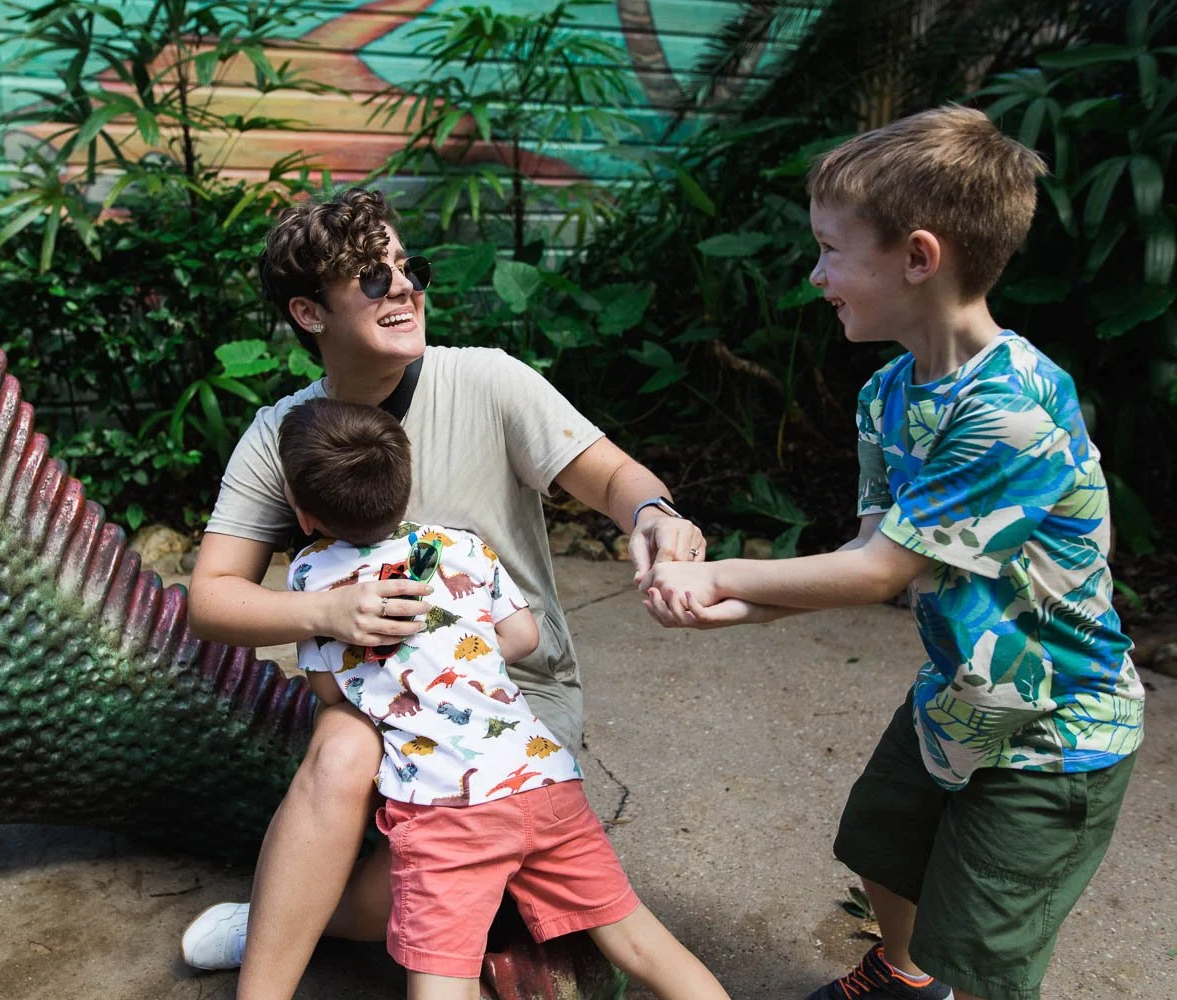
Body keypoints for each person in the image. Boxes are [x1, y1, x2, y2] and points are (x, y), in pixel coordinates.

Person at [638, 106, 1145, 1000]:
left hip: (1059, 728)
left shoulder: (1015, 406)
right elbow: (872, 555)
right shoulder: (889, 393)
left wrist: (716, 571)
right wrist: (733, 609)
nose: (815, 273)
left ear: (919, 257)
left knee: (981, 952)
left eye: (832, 250)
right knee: (882, 842)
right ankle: (903, 976)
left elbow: (881, 573)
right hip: (965, 686)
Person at [181, 187, 707, 996]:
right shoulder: (282, 434)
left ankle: (288, 913)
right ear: (308, 312)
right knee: (343, 744)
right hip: (377, 702)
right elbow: (211, 597)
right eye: (370, 276)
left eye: (407, 267)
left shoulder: (488, 380)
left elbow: (611, 475)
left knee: (412, 895)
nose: (403, 287)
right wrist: (321, 610)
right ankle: (275, 963)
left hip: (512, 691)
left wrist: (655, 514)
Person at [269, 396, 730, 1000]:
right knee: (642, 944)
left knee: (442, 976)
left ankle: (275, 926)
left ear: (304, 516)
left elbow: (330, 689)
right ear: (404, 491)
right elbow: (521, 636)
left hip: (446, 811)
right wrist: (461, 649)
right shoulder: (460, 546)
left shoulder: (310, 577)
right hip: (543, 781)